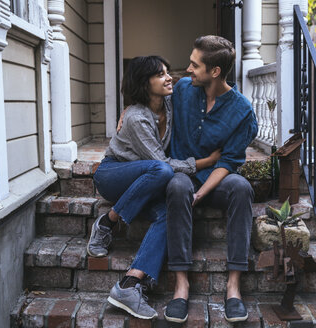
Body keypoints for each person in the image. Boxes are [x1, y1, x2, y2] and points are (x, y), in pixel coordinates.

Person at [87, 55, 221, 320]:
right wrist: (206, 162)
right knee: (162, 169)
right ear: (143, 83)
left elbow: (194, 82)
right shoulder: (137, 117)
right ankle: (108, 221)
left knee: (171, 212)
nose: (168, 77)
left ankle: (130, 283)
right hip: (114, 174)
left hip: (146, 182)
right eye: (160, 74)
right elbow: (161, 163)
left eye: (167, 71)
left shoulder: (169, 102)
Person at [163, 36, 258, 323]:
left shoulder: (242, 111)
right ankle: (181, 284)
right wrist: (128, 111)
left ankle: (233, 286)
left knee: (241, 187)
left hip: (216, 180)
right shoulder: (182, 89)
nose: (188, 69)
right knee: (177, 185)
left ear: (215, 71)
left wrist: (202, 192)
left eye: (194, 65)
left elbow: (229, 161)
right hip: (183, 172)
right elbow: (153, 101)